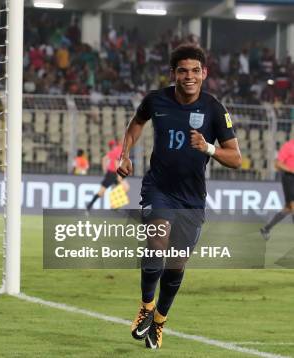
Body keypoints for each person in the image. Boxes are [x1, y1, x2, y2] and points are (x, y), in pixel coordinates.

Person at [118, 44, 241, 349]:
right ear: (173, 73)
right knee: (157, 243)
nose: (189, 76)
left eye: (195, 71)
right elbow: (136, 124)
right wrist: (124, 153)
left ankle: (159, 321)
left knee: (176, 263)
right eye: (183, 71)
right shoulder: (156, 100)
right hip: (158, 188)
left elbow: (236, 158)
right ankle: (146, 305)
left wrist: (209, 148)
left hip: (192, 197)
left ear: (204, 74)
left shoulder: (214, 109)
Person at [260, 138, 294, 240]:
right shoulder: (288, 146)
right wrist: (291, 170)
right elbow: (277, 164)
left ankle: (266, 228)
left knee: (288, 208)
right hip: (289, 178)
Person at [85, 139, 127, 210]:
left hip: (111, 173)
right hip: (113, 173)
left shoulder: (115, 150)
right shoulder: (120, 150)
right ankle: (90, 205)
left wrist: (105, 169)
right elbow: (116, 162)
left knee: (125, 187)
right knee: (102, 191)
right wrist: (119, 174)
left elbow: (104, 158)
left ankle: (115, 205)